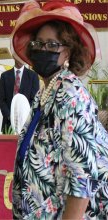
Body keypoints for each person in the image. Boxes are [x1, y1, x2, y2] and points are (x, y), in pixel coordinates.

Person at [11, 1, 108, 219]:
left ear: (68, 52)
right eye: (39, 43)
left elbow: (83, 177)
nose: (43, 50)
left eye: (52, 45)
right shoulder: (43, 94)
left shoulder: (71, 95)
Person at [0, 58, 39, 134]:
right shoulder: (4, 76)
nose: (21, 59)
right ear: (14, 57)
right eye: (18, 56)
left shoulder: (33, 76)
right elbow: (2, 100)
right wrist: (9, 116)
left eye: (22, 57)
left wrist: (25, 116)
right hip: (8, 124)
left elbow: (34, 100)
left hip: (26, 123)